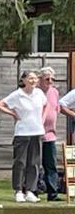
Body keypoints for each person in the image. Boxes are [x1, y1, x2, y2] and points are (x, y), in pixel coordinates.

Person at [0, 69, 46, 202]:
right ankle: (18, 190)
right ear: (23, 80)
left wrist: (42, 119)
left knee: (34, 163)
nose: (33, 81)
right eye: (30, 78)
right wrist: (13, 114)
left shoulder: (39, 93)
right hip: (22, 132)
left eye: (35, 78)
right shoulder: (17, 95)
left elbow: (46, 106)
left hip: (37, 131)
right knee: (20, 162)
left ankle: (30, 190)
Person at [39, 66, 62, 200]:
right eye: (47, 79)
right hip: (36, 133)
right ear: (41, 79)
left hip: (50, 134)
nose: (50, 81)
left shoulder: (55, 92)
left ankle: (52, 194)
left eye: (52, 79)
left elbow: (56, 109)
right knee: (34, 164)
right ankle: (32, 191)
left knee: (51, 165)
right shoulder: (35, 92)